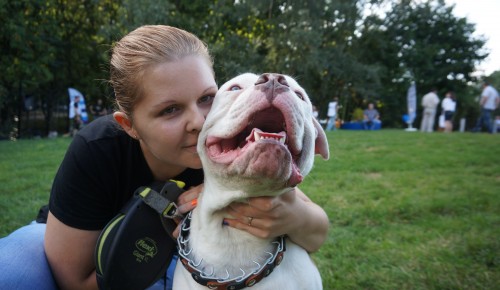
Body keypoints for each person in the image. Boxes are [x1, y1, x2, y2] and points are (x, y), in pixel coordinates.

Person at [0, 25, 329, 290]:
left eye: (206, 98)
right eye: (170, 110)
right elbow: (73, 280)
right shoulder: (97, 148)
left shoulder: (234, 148)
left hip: (182, 258)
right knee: (13, 271)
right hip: (84, 250)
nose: (198, 122)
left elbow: (316, 230)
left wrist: (292, 216)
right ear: (129, 125)